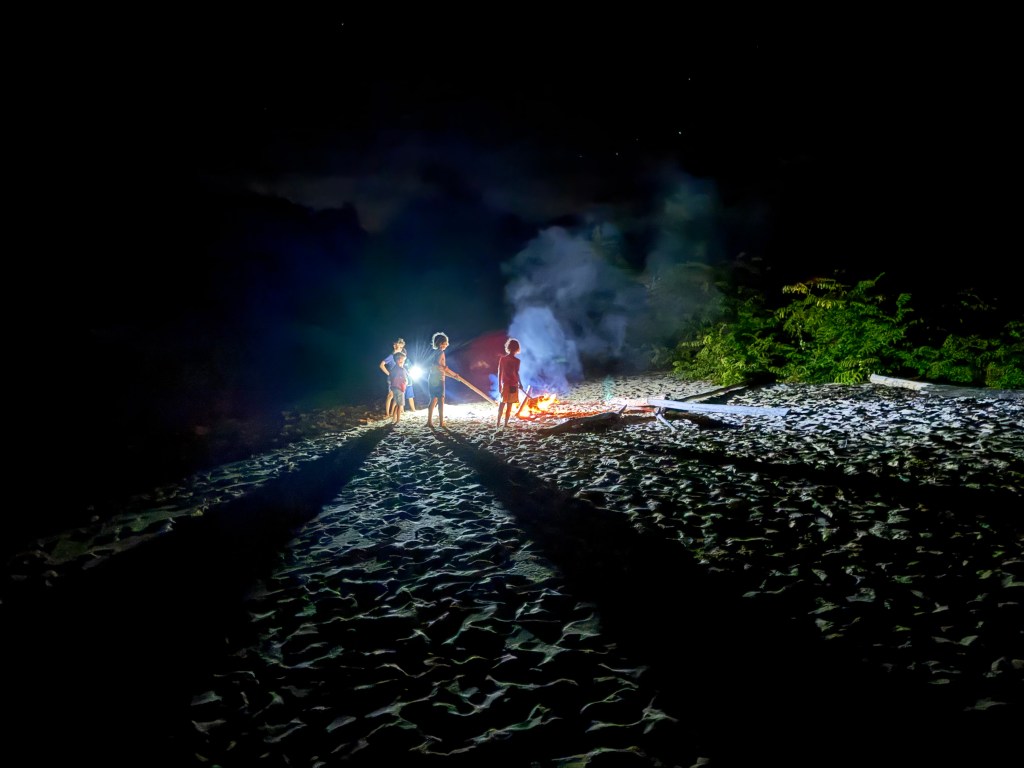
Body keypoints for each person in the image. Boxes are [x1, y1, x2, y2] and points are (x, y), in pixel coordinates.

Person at [379, 338, 416, 417]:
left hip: (400, 378)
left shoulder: (401, 356)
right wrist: (389, 374)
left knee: (397, 395)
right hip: (393, 379)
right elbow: (381, 365)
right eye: (399, 346)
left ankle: (394, 413)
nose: (401, 349)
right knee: (390, 395)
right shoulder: (391, 356)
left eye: (401, 347)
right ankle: (387, 414)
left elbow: (404, 366)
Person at [426, 331, 453, 428]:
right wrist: (445, 368)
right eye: (445, 343)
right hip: (439, 379)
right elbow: (438, 365)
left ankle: (429, 421)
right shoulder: (441, 352)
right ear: (441, 343)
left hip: (432, 378)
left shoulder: (434, 353)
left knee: (433, 399)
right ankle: (441, 422)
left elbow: (436, 366)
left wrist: (453, 375)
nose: (446, 345)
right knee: (441, 400)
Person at [496, 337, 522, 429]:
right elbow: (500, 372)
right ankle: (501, 423)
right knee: (505, 404)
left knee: (505, 404)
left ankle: (501, 423)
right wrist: (499, 385)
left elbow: (516, 373)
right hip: (509, 384)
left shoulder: (513, 360)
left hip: (511, 384)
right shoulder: (505, 359)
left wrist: (520, 384)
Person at [388, 352, 410, 424]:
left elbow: (390, 378)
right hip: (400, 388)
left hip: (394, 388)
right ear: (399, 360)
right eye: (403, 360)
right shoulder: (401, 369)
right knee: (400, 405)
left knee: (397, 404)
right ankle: (397, 420)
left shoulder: (393, 369)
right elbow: (405, 378)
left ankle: (394, 418)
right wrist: (406, 382)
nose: (403, 361)